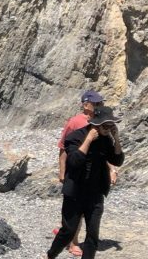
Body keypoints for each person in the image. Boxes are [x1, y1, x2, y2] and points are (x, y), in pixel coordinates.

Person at [46, 106, 125, 259]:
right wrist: (88, 140)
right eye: (106, 126)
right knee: (68, 231)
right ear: (95, 124)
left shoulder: (106, 139)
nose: (108, 129)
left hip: (95, 194)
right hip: (75, 193)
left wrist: (116, 140)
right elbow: (75, 161)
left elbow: (117, 160)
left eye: (111, 126)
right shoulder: (75, 137)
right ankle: (50, 255)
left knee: (92, 234)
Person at [54, 90, 105, 256]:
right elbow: (63, 149)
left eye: (101, 103)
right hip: (75, 170)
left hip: (91, 175)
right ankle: (72, 241)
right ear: (85, 105)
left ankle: (69, 236)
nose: (100, 106)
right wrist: (62, 172)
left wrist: (112, 169)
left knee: (84, 211)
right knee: (75, 210)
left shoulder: (101, 121)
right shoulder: (75, 122)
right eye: (96, 103)